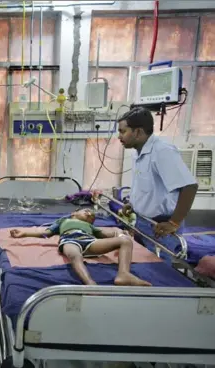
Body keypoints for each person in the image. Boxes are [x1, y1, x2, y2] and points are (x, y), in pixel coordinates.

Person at [10, 208, 151, 286]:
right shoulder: (64, 220)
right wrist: (24, 233)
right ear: (73, 213)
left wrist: (121, 233)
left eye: (92, 215)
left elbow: (109, 233)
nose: (90, 214)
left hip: (89, 241)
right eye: (86, 211)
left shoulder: (91, 227)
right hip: (70, 240)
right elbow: (45, 232)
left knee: (126, 241)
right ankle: (89, 283)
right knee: (75, 256)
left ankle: (123, 274)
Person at [117, 107, 198, 238]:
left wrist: (174, 223)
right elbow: (147, 186)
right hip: (142, 222)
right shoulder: (137, 153)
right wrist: (134, 204)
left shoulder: (162, 151)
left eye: (122, 131)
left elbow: (189, 186)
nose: (119, 136)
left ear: (137, 132)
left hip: (160, 226)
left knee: (158, 259)